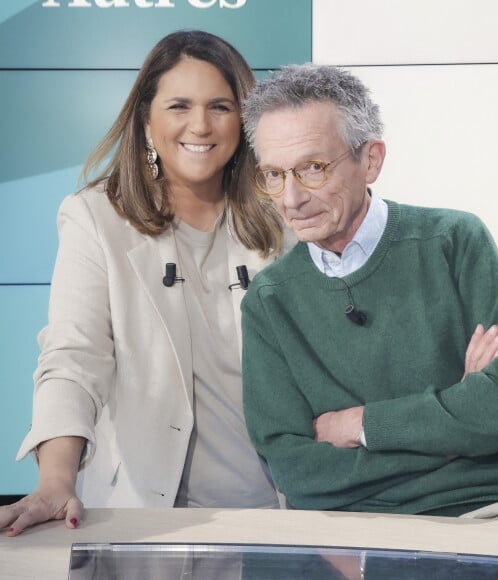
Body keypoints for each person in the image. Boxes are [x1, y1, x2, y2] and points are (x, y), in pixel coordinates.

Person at [240, 63, 498, 524]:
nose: (291, 198)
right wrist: (451, 432)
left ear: (371, 159)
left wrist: (359, 426)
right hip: (360, 521)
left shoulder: (454, 241)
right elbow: (296, 471)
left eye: (312, 168)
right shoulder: (269, 300)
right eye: (274, 174)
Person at [0, 29, 293, 537]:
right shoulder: (95, 218)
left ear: (244, 120)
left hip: (269, 513)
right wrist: (54, 480)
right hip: (142, 518)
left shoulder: (283, 220)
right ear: (146, 119)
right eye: (179, 105)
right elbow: (74, 358)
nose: (200, 125)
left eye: (220, 106)